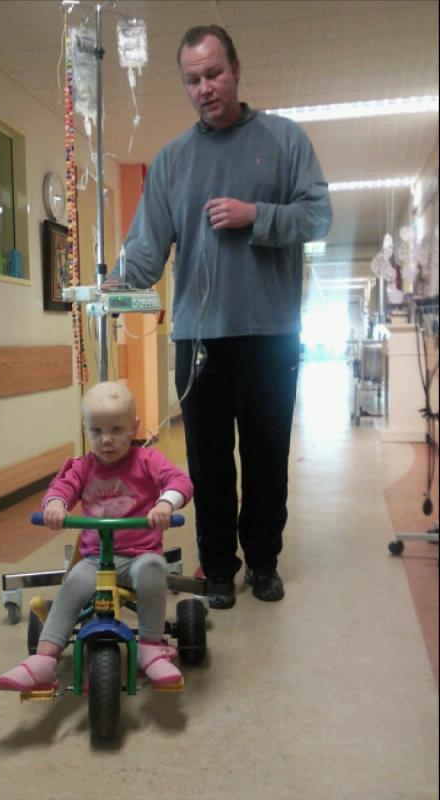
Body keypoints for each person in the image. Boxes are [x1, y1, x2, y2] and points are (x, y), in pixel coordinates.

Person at [107, 26, 333, 609]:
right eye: (193, 79)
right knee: (207, 463)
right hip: (199, 337)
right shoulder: (172, 161)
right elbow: (146, 249)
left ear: (236, 69)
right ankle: (217, 565)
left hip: (270, 332)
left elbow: (319, 217)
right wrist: (114, 282)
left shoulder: (284, 141)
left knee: (265, 455)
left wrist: (257, 215)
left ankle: (262, 562)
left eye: (214, 74)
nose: (205, 88)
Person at [0, 381, 193, 691]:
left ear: (134, 427)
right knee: (73, 582)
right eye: (96, 431)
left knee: (154, 570)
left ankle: (151, 646)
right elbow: (61, 488)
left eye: (116, 429)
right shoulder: (82, 467)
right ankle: (44, 659)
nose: (106, 440)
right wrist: (56, 505)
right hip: (95, 558)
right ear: (85, 429)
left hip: (140, 554)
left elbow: (179, 481)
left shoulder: (147, 460)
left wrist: (166, 504)